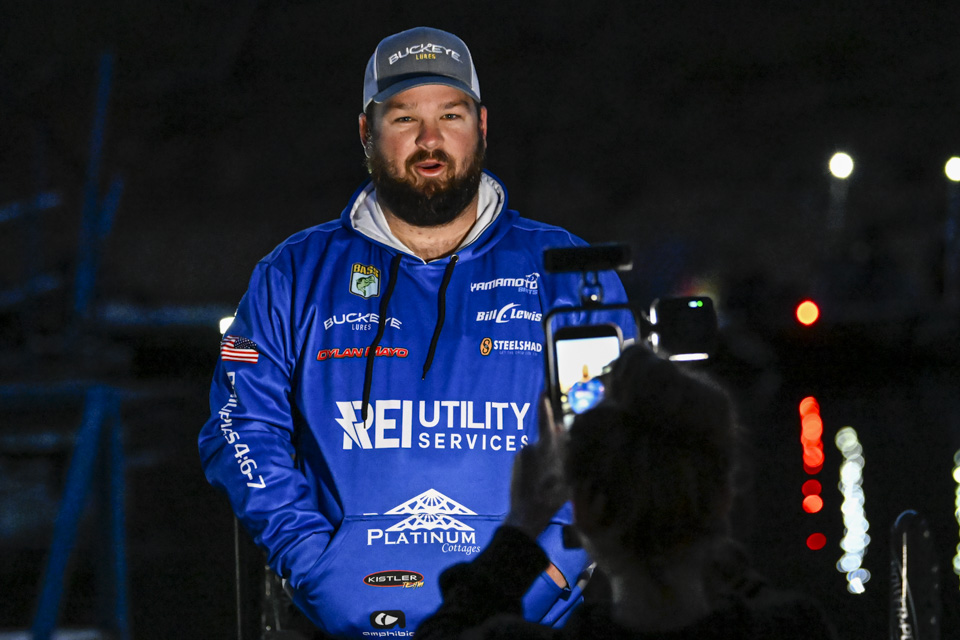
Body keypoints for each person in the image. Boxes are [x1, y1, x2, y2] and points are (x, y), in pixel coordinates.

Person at [198, 26, 633, 637]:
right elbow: (239, 427)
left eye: (450, 115)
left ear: (482, 125)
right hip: (335, 620)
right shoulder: (291, 274)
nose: (431, 139)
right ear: (366, 131)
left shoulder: (566, 270)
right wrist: (309, 561)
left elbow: (612, 441)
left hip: (526, 619)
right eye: (405, 118)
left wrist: (554, 571)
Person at [415, 345, 839, 640]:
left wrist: (522, 524)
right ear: (722, 498)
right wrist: (716, 554)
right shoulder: (795, 627)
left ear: (585, 511)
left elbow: (445, 630)